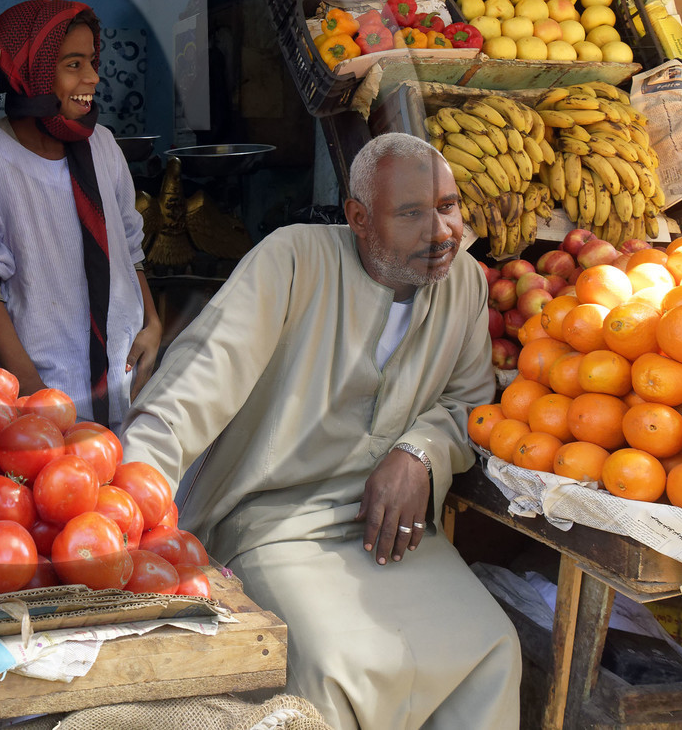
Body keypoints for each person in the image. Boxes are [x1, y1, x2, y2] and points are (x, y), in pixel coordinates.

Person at [120, 132, 520, 730]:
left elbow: (470, 405)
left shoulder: (464, 281)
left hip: (390, 531)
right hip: (272, 524)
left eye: (447, 206)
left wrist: (420, 452)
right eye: (411, 213)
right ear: (358, 218)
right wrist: (125, 510)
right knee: (336, 666)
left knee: (493, 646)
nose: (440, 232)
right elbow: (192, 387)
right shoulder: (292, 260)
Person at [0, 0, 162, 428]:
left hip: (126, 377)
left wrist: (153, 323)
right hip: (41, 392)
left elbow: (129, 245)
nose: (93, 78)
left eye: (93, 61)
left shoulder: (103, 145)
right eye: (73, 64)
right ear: (33, 73)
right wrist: (28, 386)